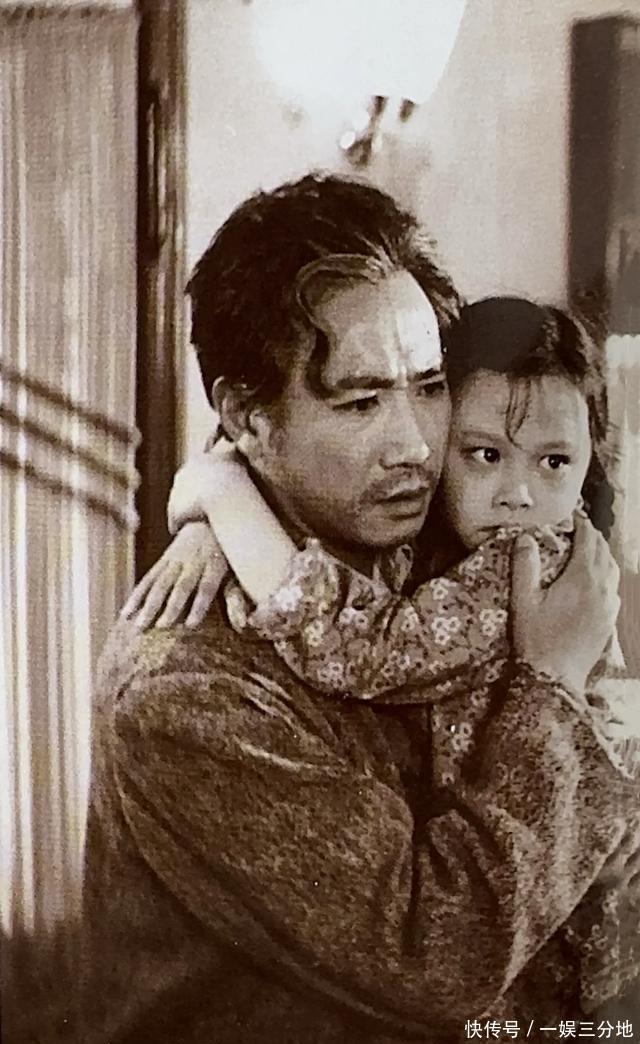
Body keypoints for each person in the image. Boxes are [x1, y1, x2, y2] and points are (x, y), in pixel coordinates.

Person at [83, 174, 633, 1044]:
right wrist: (553, 692)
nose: (415, 445)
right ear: (246, 416)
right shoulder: (184, 687)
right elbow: (438, 955)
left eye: (430, 386)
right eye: (363, 401)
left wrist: (219, 489)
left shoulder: (435, 536)